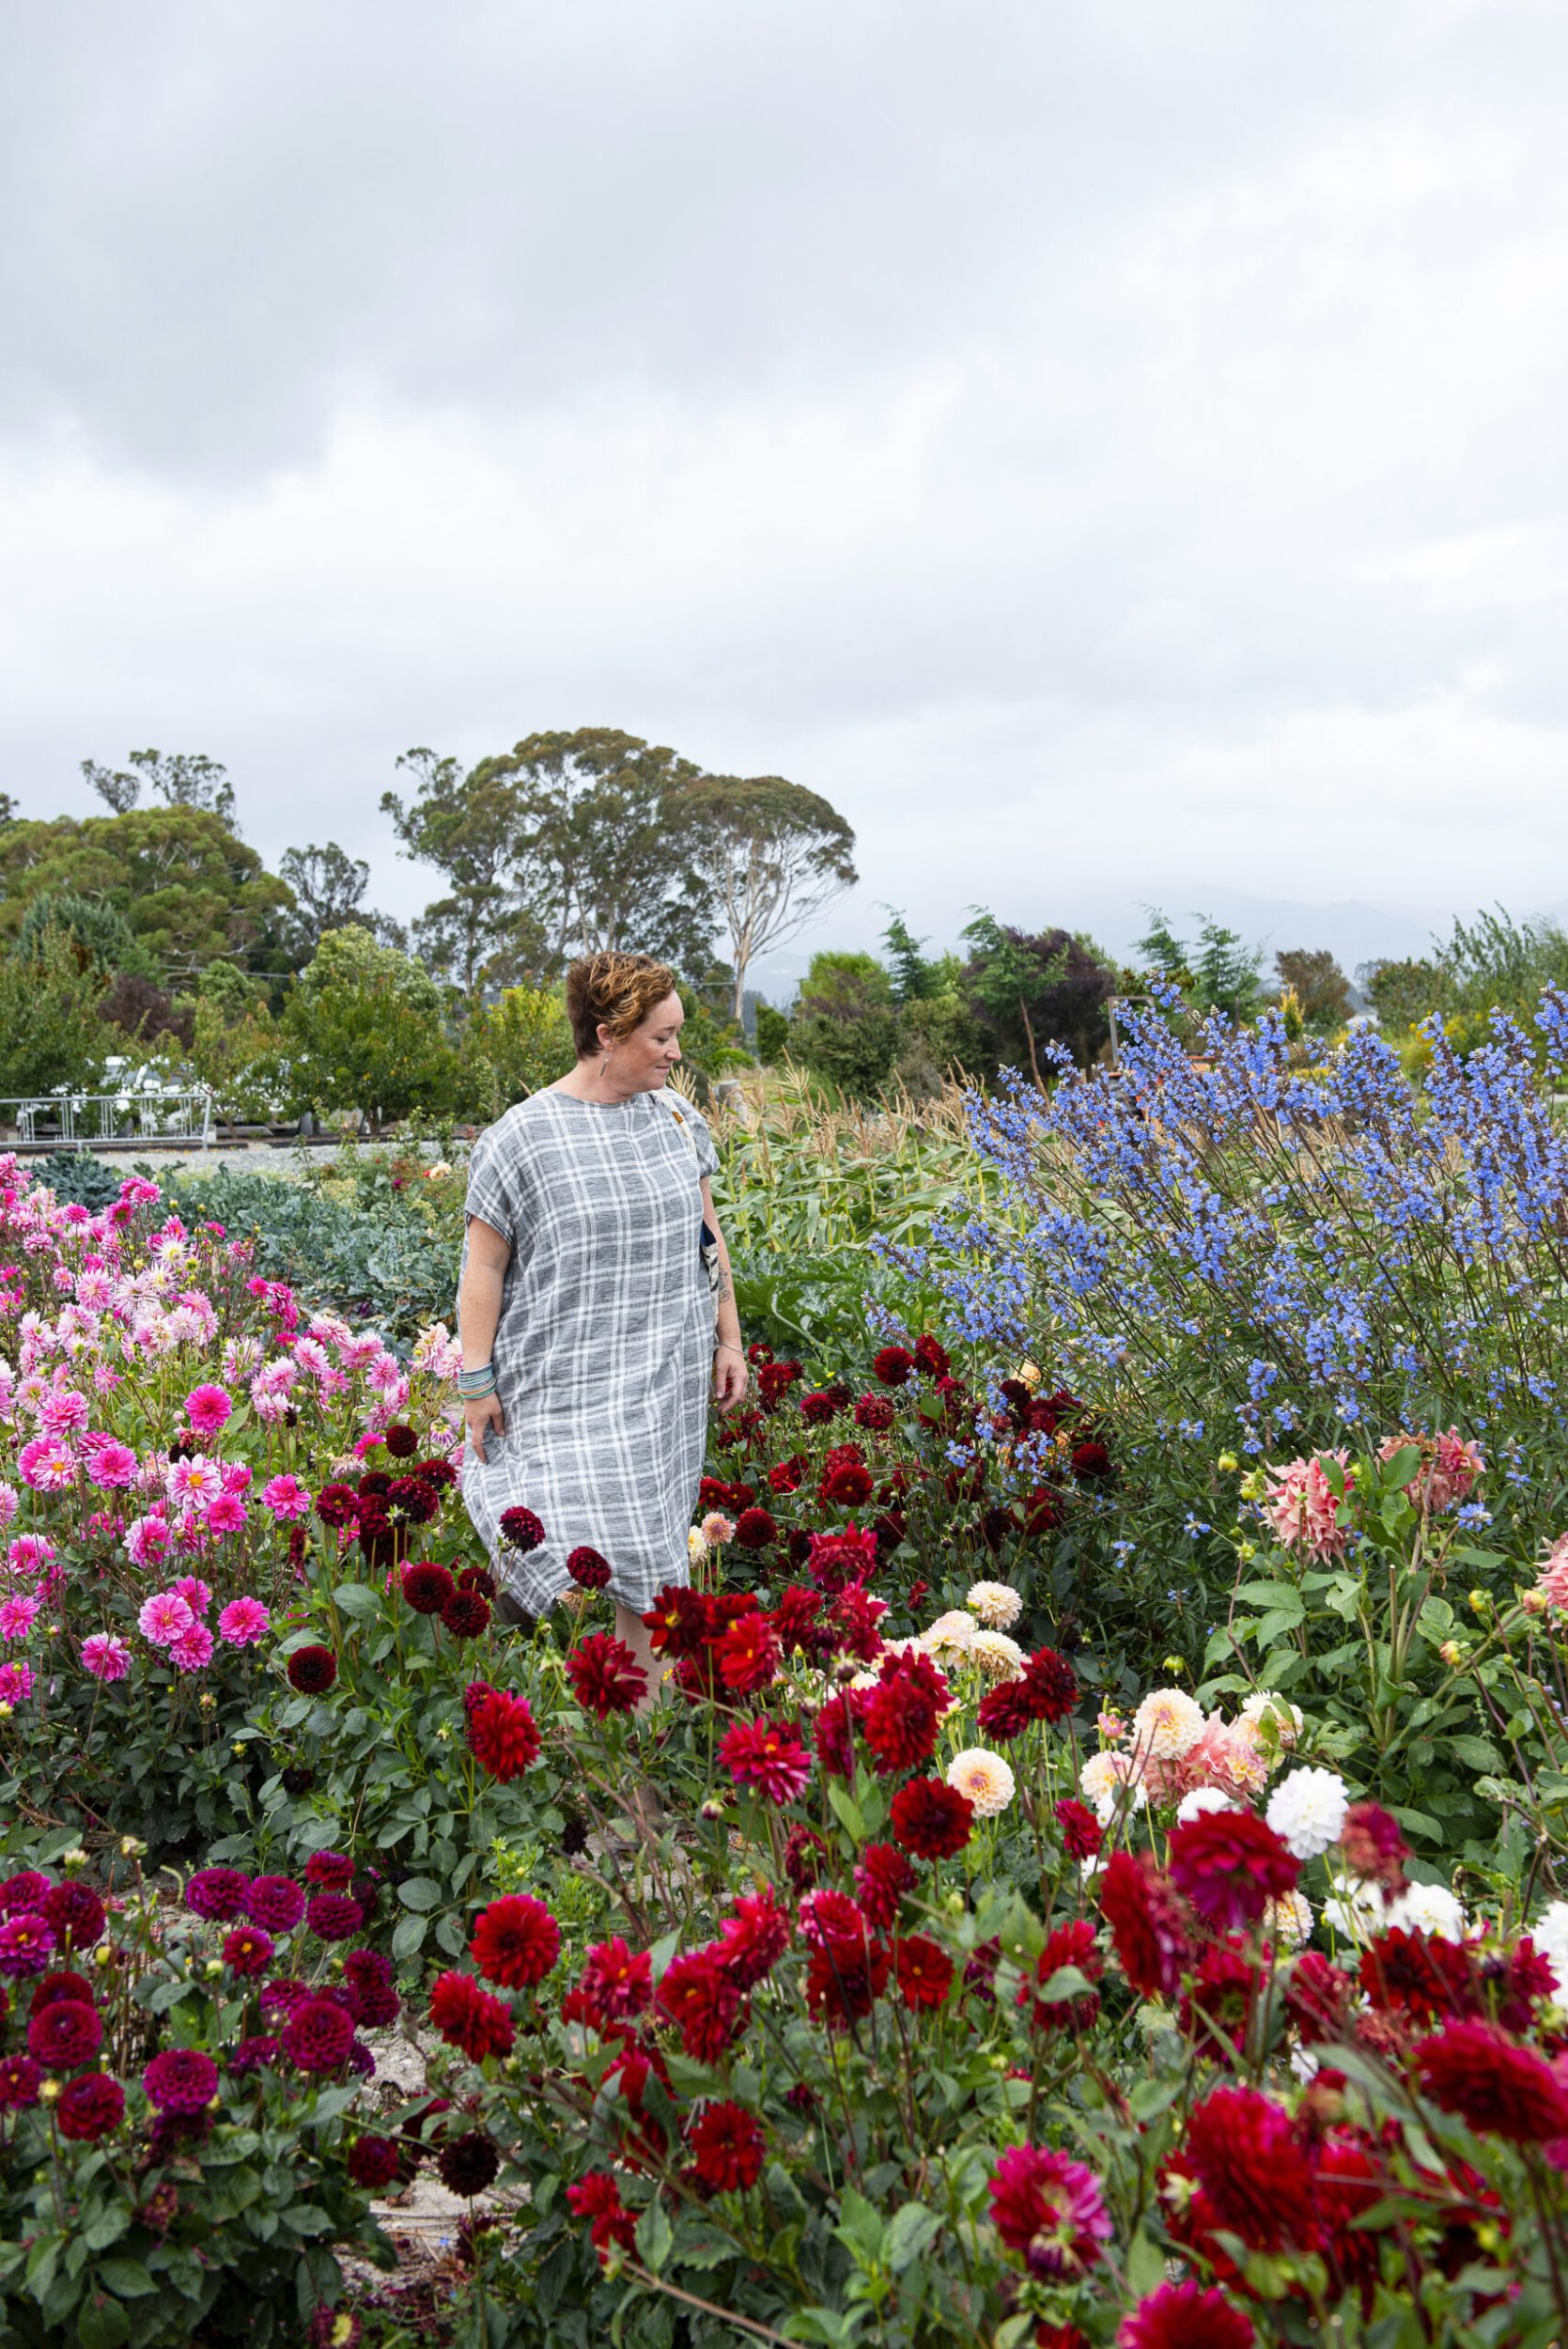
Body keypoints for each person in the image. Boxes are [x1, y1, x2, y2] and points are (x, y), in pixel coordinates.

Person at [456, 950, 747, 1692]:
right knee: (539, 1544)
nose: (676, 1052)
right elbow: (482, 1269)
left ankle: (636, 1764)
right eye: (661, 1037)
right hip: (561, 1385)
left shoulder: (678, 1121)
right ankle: (489, 1704)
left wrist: (729, 1338)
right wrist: (476, 1380)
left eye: (677, 1034)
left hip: (662, 1386)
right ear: (609, 1034)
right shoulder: (521, 1138)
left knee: (650, 1560)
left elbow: (706, 1239)